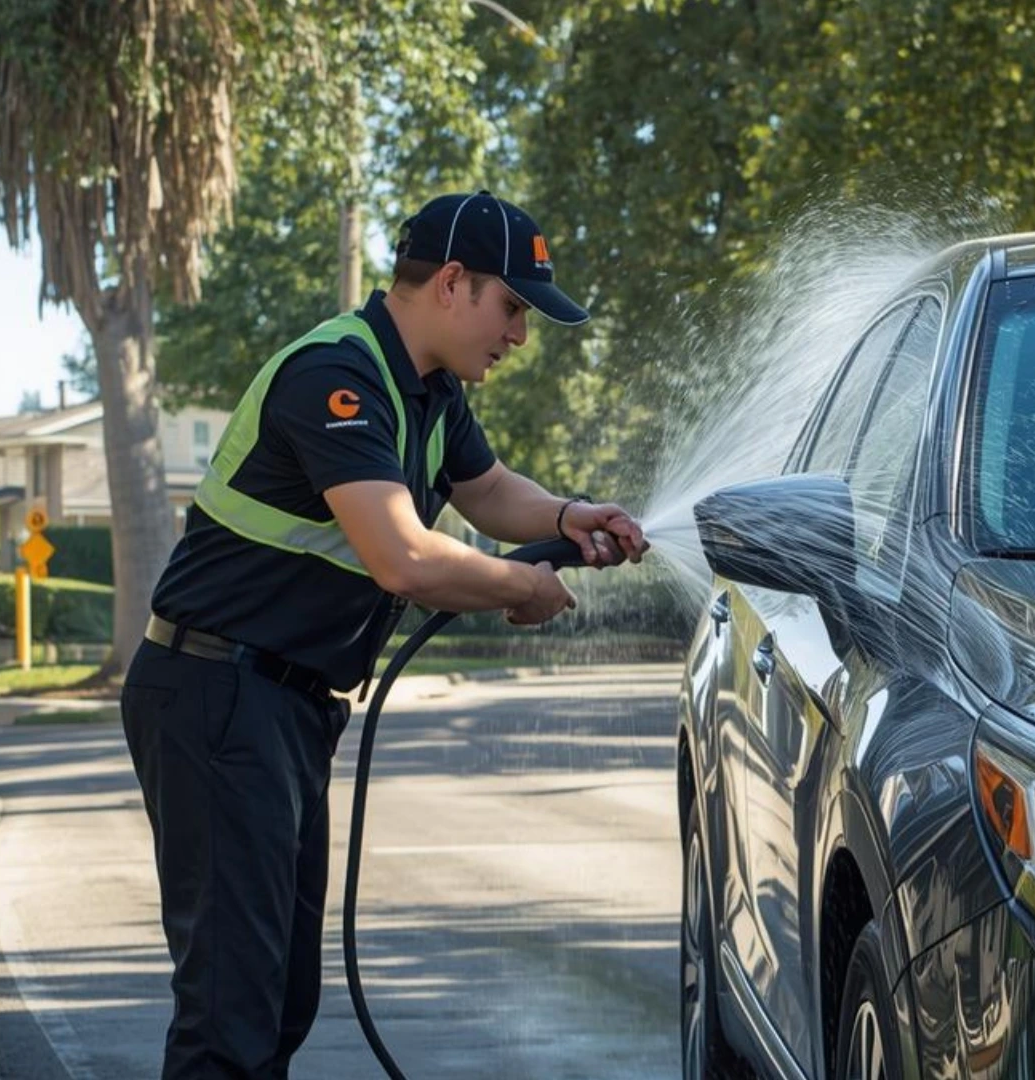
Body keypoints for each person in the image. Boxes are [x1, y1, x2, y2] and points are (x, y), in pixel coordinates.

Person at [121, 190, 649, 1079]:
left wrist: (567, 514)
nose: (520, 334)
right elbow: (402, 558)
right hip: (216, 697)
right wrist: (523, 582)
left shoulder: (430, 392)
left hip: (279, 706)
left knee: (280, 999)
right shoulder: (336, 376)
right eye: (512, 306)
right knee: (229, 1012)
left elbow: (485, 491)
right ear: (452, 282)